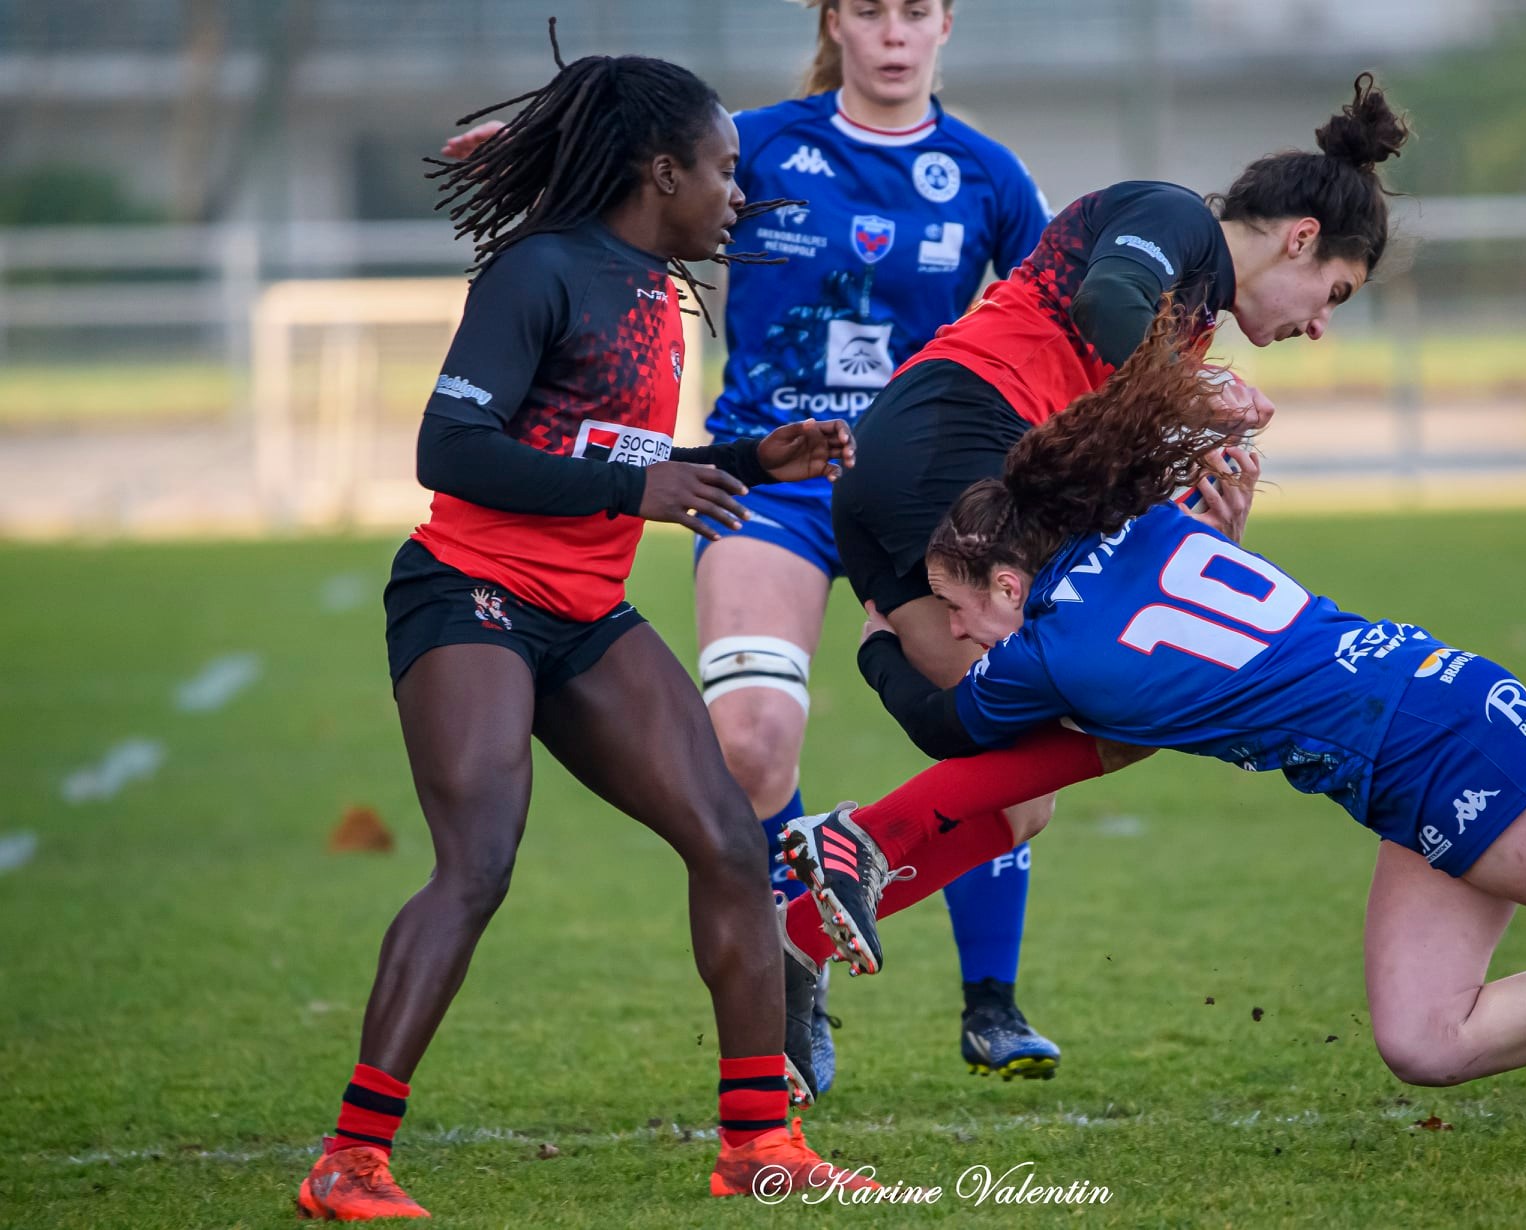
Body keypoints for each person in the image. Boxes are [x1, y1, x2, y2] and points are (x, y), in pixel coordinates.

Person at [782, 308, 1526, 1112]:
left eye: (959, 610)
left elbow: (952, 729)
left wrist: (877, 640)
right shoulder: (1143, 526)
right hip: (1425, 730)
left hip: (1438, 750)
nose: (956, 632)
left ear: (1011, 582)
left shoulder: (1055, 658)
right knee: (1426, 1039)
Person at [295, 33, 872, 1220]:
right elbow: (450, 450)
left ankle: (757, 1144)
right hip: (470, 596)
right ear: (662, 173)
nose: (738, 192)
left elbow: (608, 451)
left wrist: (748, 459)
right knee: (479, 863)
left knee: (731, 842)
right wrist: (636, 488)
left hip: (585, 612)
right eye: (724, 169)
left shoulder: (657, 289)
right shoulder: (538, 271)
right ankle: (349, 1159)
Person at [443, 0, 1063, 1097]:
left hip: (919, 495)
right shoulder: (760, 142)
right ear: (835, 22)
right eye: (869, 9)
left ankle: (993, 1002)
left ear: (946, 25)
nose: (893, 32)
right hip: (773, 481)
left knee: (1005, 750)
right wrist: (541, 147)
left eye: (916, 10)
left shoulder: (991, 176)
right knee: (751, 741)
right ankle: (792, 975)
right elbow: (630, 157)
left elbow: (1065, 313)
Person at [791, 72, 1405, 1079]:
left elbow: (1090, 479)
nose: (1319, 323)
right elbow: (1105, 296)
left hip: (914, 473)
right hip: (951, 444)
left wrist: (1210, 524)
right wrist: (1196, 389)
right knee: (1138, 698)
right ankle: (857, 848)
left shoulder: (1190, 319)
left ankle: (798, 934)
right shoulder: (1178, 225)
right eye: (1334, 294)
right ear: (1301, 238)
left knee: (1007, 774)